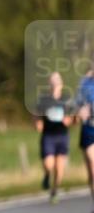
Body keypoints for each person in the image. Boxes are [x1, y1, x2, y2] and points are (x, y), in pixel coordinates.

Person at [36, 72, 73, 204]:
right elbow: (37, 113)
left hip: (62, 135)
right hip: (48, 135)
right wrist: (38, 122)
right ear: (49, 83)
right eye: (53, 80)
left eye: (58, 80)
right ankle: (47, 175)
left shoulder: (66, 98)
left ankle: (55, 191)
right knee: (48, 164)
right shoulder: (44, 99)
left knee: (59, 167)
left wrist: (69, 120)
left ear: (62, 83)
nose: (56, 83)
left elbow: (73, 116)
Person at [76, 66, 94, 213]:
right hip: (89, 129)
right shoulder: (85, 83)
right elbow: (78, 104)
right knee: (92, 170)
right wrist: (81, 111)